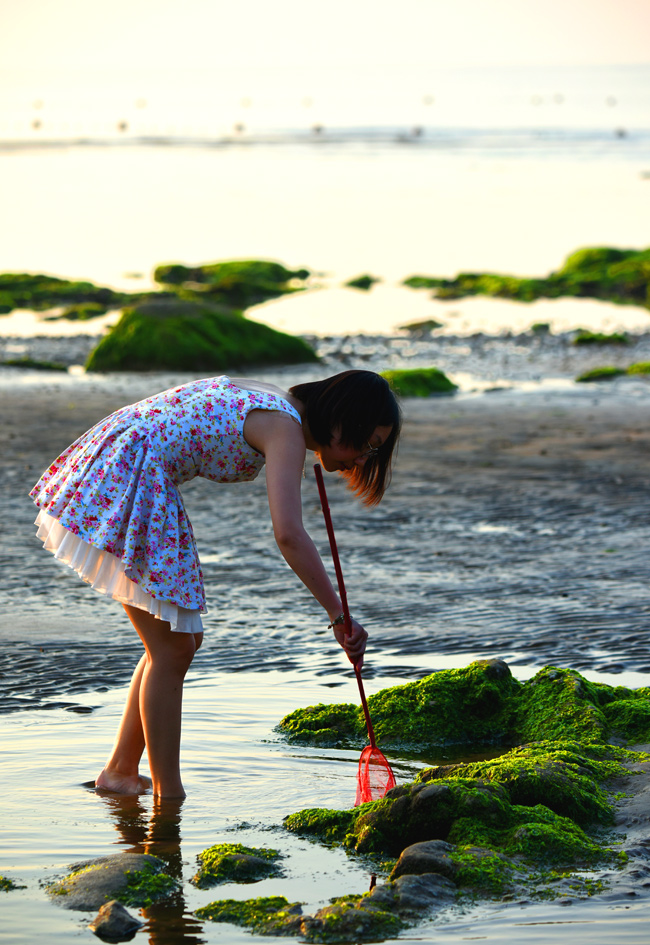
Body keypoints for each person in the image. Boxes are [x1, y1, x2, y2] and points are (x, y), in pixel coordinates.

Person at [30, 370, 401, 798]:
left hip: (118, 459)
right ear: (342, 418)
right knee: (172, 648)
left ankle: (121, 773)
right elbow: (289, 535)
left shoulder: (276, 403)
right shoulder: (286, 428)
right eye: (368, 444)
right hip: (129, 472)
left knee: (175, 645)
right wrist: (338, 615)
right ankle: (169, 800)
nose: (363, 460)